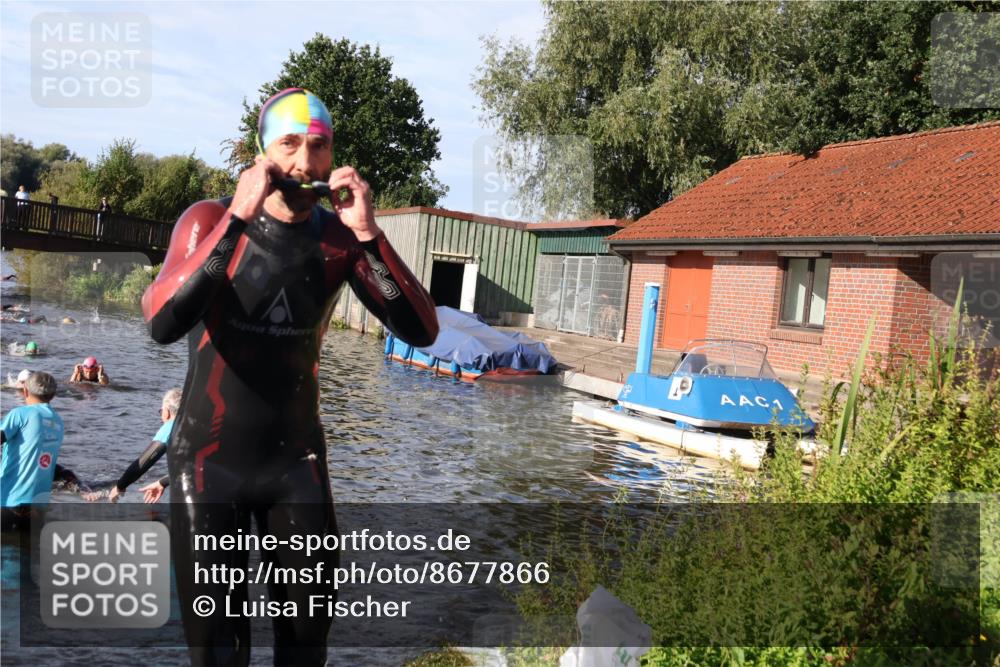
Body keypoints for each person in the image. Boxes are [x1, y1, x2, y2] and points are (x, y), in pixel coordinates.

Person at [141, 87, 438, 666]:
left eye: (319, 146)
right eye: (290, 144)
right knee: (219, 650)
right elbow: (160, 321)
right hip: (208, 463)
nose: (306, 161)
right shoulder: (208, 220)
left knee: (305, 645)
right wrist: (236, 218)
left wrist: (369, 234)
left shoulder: (337, 239)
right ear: (262, 153)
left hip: (295, 463)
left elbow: (421, 330)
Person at [85, 388, 180, 502]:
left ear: (167, 412)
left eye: (161, 411)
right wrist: (162, 482)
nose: (161, 416)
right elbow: (196, 469)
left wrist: (120, 486)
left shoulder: (171, 427)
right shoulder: (198, 426)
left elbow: (142, 463)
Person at [0, 372, 64, 528]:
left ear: (26, 391)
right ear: (53, 395)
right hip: (38, 507)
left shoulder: (20, 414)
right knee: (26, 550)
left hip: (10, 500)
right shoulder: (58, 422)